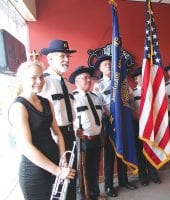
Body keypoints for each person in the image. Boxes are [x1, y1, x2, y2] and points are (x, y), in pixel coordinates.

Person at [8, 61, 76, 200]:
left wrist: (62, 159)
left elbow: (57, 133)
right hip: (35, 172)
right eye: (33, 77)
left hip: (54, 164)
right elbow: (26, 147)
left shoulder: (46, 102)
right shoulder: (18, 107)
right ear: (22, 79)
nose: (39, 81)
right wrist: (57, 171)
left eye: (41, 77)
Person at [93, 54, 137, 197]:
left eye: (110, 64)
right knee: (109, 156)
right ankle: (108, 186)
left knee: (122, 151)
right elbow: (98, 105)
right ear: (100, 68)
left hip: (122, 122)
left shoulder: (122, 82)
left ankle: (124, 181)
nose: (108, 66)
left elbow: (130, 98)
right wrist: (110, 114)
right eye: (105, 64)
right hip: (109, 122)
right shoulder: (98, 85)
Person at [39, 39, 77, 199]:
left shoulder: (66, 83)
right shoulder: (44, 81)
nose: (67, 60)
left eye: (67, 56)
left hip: (70, 135)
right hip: (54, 138)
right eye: (62, 56)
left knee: (71, 179)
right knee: (58, 182)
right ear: (50, 59)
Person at [69, 66, 105, 200]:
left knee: (94, 169)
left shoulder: (95, 97)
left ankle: (94, 195)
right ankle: (82, 196)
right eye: (85, 78)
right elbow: (69, 118)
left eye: (89, 77)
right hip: (82, 141)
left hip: (96, 139)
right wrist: (74, 130)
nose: (89, 80)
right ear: (77, 81)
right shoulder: (73, 98)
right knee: (81, 170)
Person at [131, 67, 162, 186]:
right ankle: (143, 177)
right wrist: (141, 120)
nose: (143, 78)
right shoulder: (132, 93)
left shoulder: (151, 92)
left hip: (151, 125)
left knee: (152, 149)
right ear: (135, 79)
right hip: (138, 125)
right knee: (140, 151)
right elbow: (132, 110)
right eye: (140, 76)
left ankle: (154, 175)